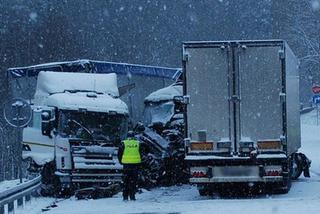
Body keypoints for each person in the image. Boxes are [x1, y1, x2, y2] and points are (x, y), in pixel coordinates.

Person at [117, 130, 142, 201]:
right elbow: (141, 154)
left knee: (126, 181)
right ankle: (132, 196)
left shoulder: (123, 143)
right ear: (134, 136)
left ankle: (125, 197)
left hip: (126, 165)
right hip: (135, 165)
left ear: (127, 136)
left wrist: (121, 162)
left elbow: (119, 154)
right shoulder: (138, 143)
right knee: (133, 181)